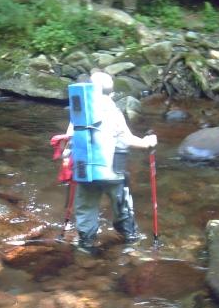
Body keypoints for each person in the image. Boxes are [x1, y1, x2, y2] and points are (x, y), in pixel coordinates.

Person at [64, 72, 157, 254]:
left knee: (85, 208)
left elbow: (69, 139)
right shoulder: (112, 110)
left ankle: (85, 244)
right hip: (111, 171)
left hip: (84, 170)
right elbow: (127, 138)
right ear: (112, 93)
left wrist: (67, 160)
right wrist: (148, 142)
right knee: (122, 204)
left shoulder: (79, 109)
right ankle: (130, 240)